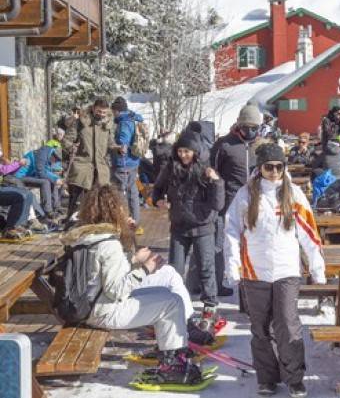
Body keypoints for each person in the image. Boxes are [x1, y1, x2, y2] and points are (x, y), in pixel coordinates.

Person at [65, 185, 212, 386]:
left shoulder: (87, 237)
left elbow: (104, 274)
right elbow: (116, 290)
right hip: (104, 311)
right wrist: (145, 269)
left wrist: (132, 254)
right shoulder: (108, 243)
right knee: (170, 302)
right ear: (114, 210)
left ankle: (172, 350)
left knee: (164, 293)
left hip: (93, 305)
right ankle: (171, 362)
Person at [224, 143, 325, 398]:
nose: (274, 172)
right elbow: (231, 232)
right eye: (269, 167)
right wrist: (233, 265)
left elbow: (310, 235)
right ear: (259, 168)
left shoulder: (293, 195)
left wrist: (317, 268)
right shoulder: (246, 195)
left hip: (286, 269)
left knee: (287, 325)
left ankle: (294, 377)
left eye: (279, 167)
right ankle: (267, 378)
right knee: (260, 328)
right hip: (254, 270)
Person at [152, 131, 225, 325]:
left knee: (206, 268)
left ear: (195, 151)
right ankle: (176, 304)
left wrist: (216, 181)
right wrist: (158, 200)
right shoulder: (170, 168)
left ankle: (210, 306)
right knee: (175, 270)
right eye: (181, 151)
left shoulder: (205, 170)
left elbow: (218, 204)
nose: (184, 155)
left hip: (203, 226)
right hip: (179, 225)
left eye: (188, 151)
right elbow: (157, 188)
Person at [209, 104, 263, 297]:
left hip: (255, 201)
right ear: (239, 125)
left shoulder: (262, 145)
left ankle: (250, 286)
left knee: (252, 243)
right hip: (228, 199)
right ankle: (216, 282)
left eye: (254, 127)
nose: (249, 131)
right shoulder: (225, 144)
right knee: (222, 242)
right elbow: (212, 169)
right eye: (245, 127)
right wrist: (217, 190)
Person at [63, 98, 121, 224]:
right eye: (99, 111)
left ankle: (97, 221)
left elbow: (110, 142)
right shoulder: (81, 122)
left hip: (100, 166)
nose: (101, 114)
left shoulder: (108, 125)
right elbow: (67, 140)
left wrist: (117, 148)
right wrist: (70, 147)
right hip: (82, 165)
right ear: (94, 108)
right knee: (77, 197)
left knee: (100, 196)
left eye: (104, 112)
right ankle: (70, 222)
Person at [110, 97, 144, 231]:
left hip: (123, 163)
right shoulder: (134, 119)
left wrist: (117, 147)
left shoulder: (124, 123)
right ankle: (135, 222)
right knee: (133, 192)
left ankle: (123, 223)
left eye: (113, 111)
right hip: (134, 162)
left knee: (119, 193)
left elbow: (123, 142)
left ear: (117, 110)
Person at [15, 144, 63, 218]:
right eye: (55, 161)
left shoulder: (48, 154)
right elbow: (41, 173)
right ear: (53, 156)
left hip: (31, 175)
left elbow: (47, 172)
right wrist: (54, 179)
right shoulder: (42, 154)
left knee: (53, 180)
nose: (55, 163)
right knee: (46, 182)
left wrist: (56, 179)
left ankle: (56, 207)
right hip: (20, 177)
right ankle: (48, 211)